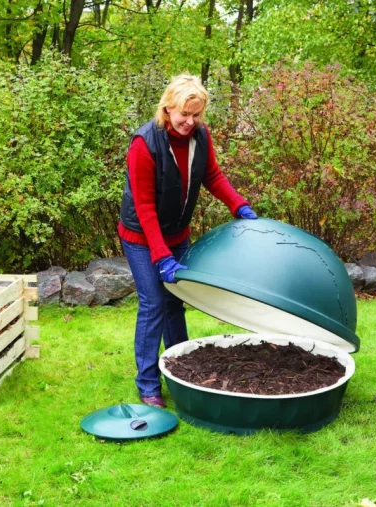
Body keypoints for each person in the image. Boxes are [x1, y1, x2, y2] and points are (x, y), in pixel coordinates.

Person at [118, 74, 258, 408]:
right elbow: (146, 208)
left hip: (177, 233)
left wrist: (238, 204)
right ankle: (149, 384)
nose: (189, 122)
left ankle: (182, 371)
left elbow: (212, 175)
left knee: (174, 301)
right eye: (184, 114)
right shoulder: (144, 144)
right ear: (167, 108)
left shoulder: (200, 136)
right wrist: (161, 256)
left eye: (196, 115)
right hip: (141, 236)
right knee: (153, 303)